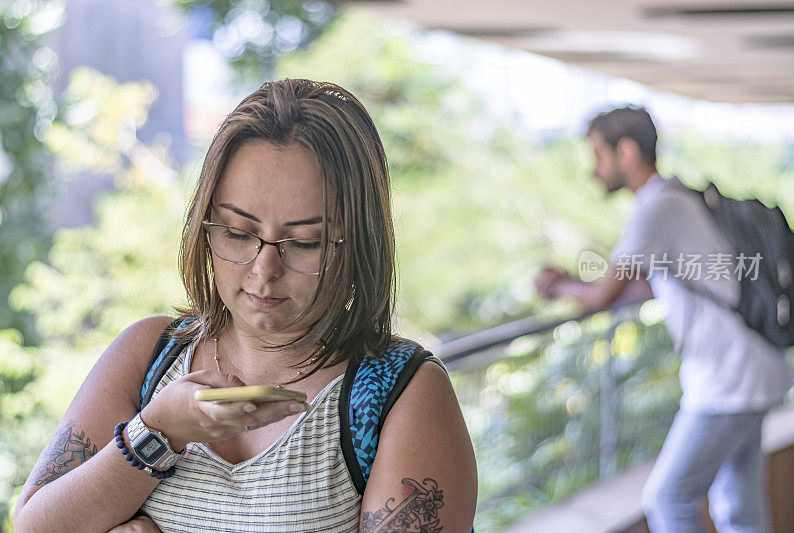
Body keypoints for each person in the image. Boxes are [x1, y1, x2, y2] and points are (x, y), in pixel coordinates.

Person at [13, 79, 478, 532]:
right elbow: (34, 525)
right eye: (237, 233)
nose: (264, 268)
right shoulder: (150, 354)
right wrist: (155, 434)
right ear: (204, 223)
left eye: (304, 243)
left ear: (359, 243)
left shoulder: (400, 395)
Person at [536, 106, 790, 532]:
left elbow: (604, 295)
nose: (593, 170)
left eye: (598, 155)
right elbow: (651, 285)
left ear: (628, 152)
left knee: (669, 497)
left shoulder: (654, 208)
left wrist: (558, 285)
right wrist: (585, 285)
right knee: (737, 503)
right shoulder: (682, 196)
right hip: (755, 365)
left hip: (727, 381)